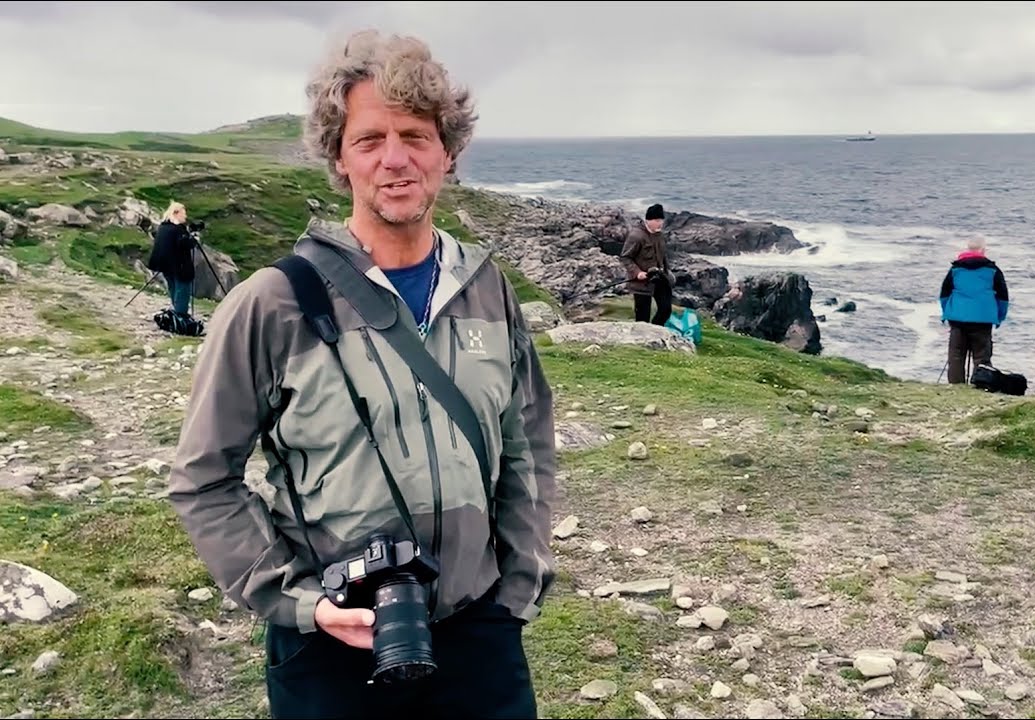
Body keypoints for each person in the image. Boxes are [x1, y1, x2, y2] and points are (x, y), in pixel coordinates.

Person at [166, 29, 557, 720]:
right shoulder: (273, 302)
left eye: (415, 135)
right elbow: (203, 479)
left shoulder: (487, 286)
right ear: (340, 160)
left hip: (479, 633)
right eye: (370, 139)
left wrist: (517, 586)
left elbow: (527, 443)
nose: (395, 160)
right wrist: (296, 602)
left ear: (449, 152)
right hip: (331, 646)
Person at [938, 237, 1010, 384]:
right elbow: (1003, 297)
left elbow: (944, 294)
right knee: (981, 356)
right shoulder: (992, 271)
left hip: (957, 318)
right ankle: (980, 385)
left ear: (967, 250)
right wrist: (1000, 317)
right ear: (983, 250)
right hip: (983, 319)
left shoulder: (955, 270)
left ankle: (955, 386)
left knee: (956, 355)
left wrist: (948, 312)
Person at [619, 203, 674, 325]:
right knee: (642, 318)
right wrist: (637, 273)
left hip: (659, 278)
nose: (660, 223)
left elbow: (663, 255)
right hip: (642, 284)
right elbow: (626, 257)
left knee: (665, 310)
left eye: (661, 220)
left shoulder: (659, 235)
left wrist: (667, 272)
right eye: (657, 220)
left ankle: (656, 331)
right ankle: (644, 340)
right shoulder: (636, 236)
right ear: (648, 220)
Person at [146, 201, 196, 316]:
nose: (185, 216)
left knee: (173, 289)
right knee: (182, 291)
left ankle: (175, 314)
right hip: (179, 267)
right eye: (183, 214)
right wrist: (193, 239)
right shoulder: (177, 229)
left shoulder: (163, 227)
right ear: (176, 213)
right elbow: (184, 244)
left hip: (165, 266)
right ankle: (180, 316)